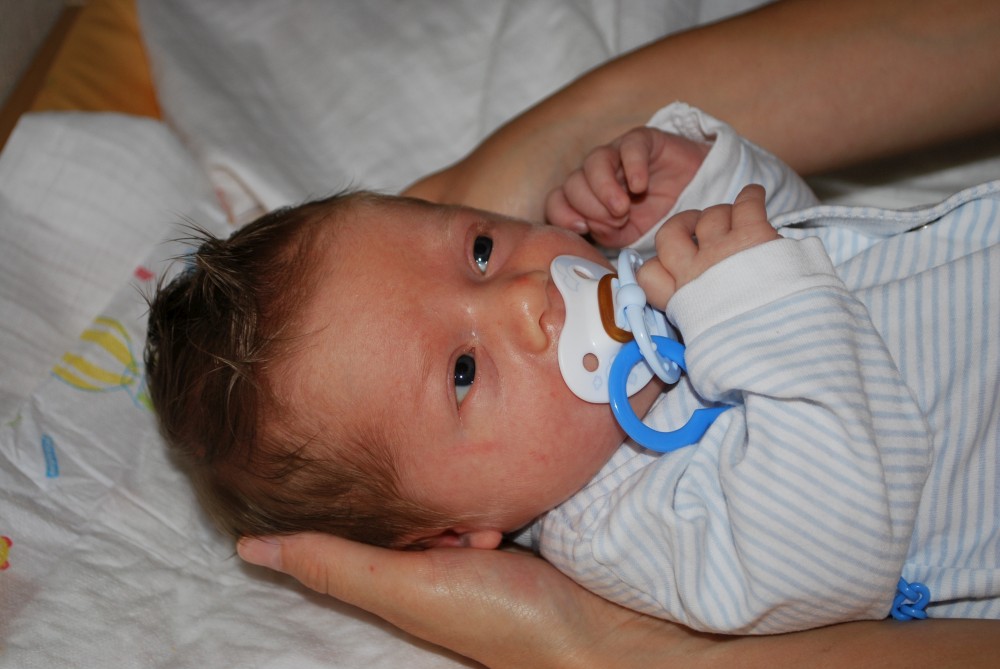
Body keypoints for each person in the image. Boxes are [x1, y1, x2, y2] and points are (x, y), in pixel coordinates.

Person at [231, 0, 1000, 664]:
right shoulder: (625, 529)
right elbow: (834, 535)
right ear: (458, 536)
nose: (523, 297)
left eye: (480, 251)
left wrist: (698, 190)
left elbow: (808, 245)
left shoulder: (634, 275)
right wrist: (751, 299)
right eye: (463, 371)